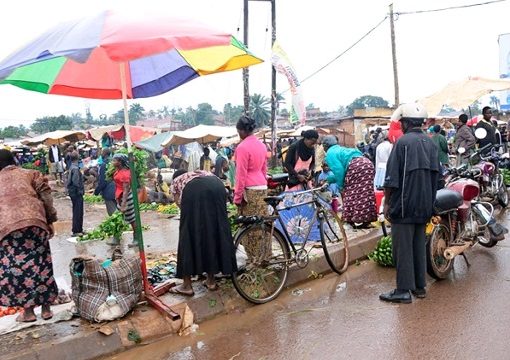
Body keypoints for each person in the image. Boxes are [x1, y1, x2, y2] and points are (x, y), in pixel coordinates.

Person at [380, 103, 440, 304]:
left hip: (404, 205)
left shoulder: (402, 143)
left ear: (405, 123)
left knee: (402, 248)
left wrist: (387, 204)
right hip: (425, 204)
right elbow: (438, 176)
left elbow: (391, 178)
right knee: (417, 245)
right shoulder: (430, 143)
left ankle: (403, 290)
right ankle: (420, 287)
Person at [0, 149, 58, 322]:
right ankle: (46, 310)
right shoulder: (31, 174)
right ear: (14, 160)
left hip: (8, 230)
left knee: (20, 269)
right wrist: (50, 219)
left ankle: (28, 311)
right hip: (36, 223)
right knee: (42, 263)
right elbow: (46, 195)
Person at [169, 169, 237, 296]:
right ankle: (211, 281)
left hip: (196, 191)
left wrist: (193, 222)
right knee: (212, 231)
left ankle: (186, 285)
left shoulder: (176, 182)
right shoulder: (199, 173)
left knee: (187, 235)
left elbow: (180, 204)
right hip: (218, 186)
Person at [322, 135, 377, 227]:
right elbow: (342, 173)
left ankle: (350, 219)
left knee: (350, 193)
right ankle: (367, 221)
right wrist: (328, 180)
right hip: (367, 164)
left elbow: (339, 171)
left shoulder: (330, 153)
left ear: (325, 146)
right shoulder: (341, 149)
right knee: (365, 194)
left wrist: (341, 187)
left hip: (355, 166)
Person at [111, 153, 137, 246]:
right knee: (117, 218)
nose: (113, 162)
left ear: (120, 162)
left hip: (126, 198)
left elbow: (126, 189)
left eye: (115, 160)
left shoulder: (125, 173)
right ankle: (116, 238)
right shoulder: (118, 171)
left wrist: (124, 203)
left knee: (131, 219)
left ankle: (136, 239)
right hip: (119, 196)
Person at [66, 151, 85, 236]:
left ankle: (78, 229)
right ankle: (77, 230)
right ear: (77, 158)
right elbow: (76, 182)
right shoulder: (76, 169)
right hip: (76, 193)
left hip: (72, 192)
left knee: (76, 210)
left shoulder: (71, 167)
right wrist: (80, 191)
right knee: (78, 211)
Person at [94, 148, 117, 216]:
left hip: (108, 192)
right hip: (117, 190)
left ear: (104, 154)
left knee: (113, 214)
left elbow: (103, 181)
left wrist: (97, 191)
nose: (101, 154)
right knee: (118, 210)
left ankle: (119, 225)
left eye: (102, 152)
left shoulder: (104, 165)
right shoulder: (114, 163)